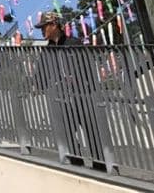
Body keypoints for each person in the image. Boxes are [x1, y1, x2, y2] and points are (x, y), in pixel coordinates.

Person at [35, 11, 107, 170]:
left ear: (54, 25)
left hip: (83, 96)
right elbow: (39, 78)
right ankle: (77, 164)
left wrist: (81, 82)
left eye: (44, 27)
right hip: (62, 100)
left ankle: (100, 166)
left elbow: (88, 68)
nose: (41, 30)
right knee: (67, 133)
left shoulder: (74, 43)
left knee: (92, 131)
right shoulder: (46, 52)